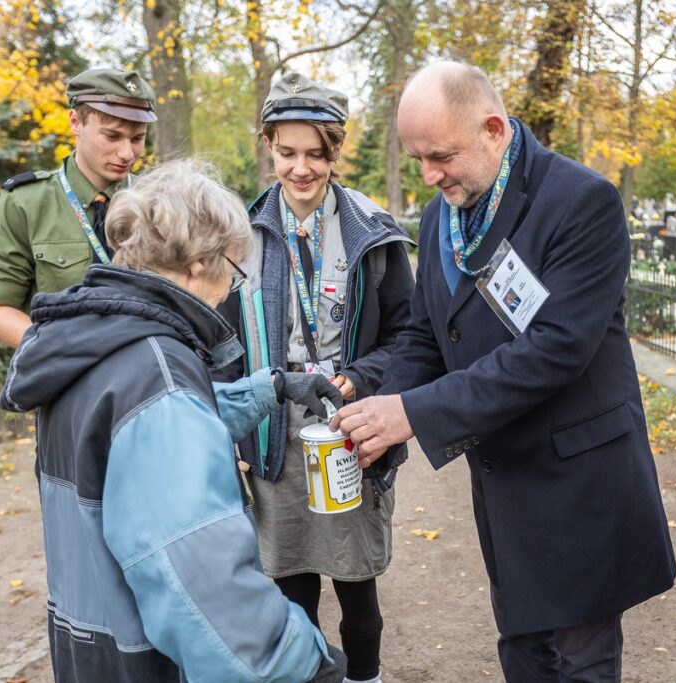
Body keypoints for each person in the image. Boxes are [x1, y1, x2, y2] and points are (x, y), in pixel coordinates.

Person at [331, 61, 676, 682]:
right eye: (418, 161)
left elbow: (555, 350)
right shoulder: (444, 214)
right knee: (522, 650)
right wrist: (373, 410)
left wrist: (412, 413)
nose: (430, 177)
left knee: (580, 660)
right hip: (505, 477)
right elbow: (427, 334)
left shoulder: (580, 201)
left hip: (577, 477)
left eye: (440, 156)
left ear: (493, 128)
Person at [0, 159, 348, 683]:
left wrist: (267, 388)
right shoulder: (154, 374)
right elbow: (202, 580)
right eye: (235, 265)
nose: (234, 285)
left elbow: (135, 448)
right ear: (199, 263)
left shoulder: (94, 340)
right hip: (150, 660)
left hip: (89, 638)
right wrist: (296, 662)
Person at [216, 73, 414, 683]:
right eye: (287, 152)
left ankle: (365, 677)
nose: (301, 169)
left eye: (316, 153)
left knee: (358, 587)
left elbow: (409, 337)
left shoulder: (371, 234)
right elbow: (219, 343)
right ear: (269, 146)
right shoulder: (236, 235)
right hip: (272, 439)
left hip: (348, 433)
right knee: (290, 584)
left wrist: (359, 377)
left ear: (335, 149)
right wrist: (232, 433)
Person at [0, 67, 156, 348]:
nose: (126, 153)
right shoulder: (27, 202)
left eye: (137, 139)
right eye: (111, 136)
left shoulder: (156, 202)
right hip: (59, 381)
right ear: (75, 122)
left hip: (144, 377)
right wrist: (65, 353)